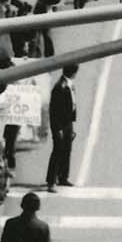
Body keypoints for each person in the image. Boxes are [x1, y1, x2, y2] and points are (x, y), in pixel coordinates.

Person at [45, 63, 78, 192]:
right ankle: (51, 181)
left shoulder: (69, 85)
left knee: (66, 150)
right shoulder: (60, 87)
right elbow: (54, 110)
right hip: (60, 124)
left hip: (68, 122)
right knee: (58, 152)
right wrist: (58, 128)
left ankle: (63, 176)